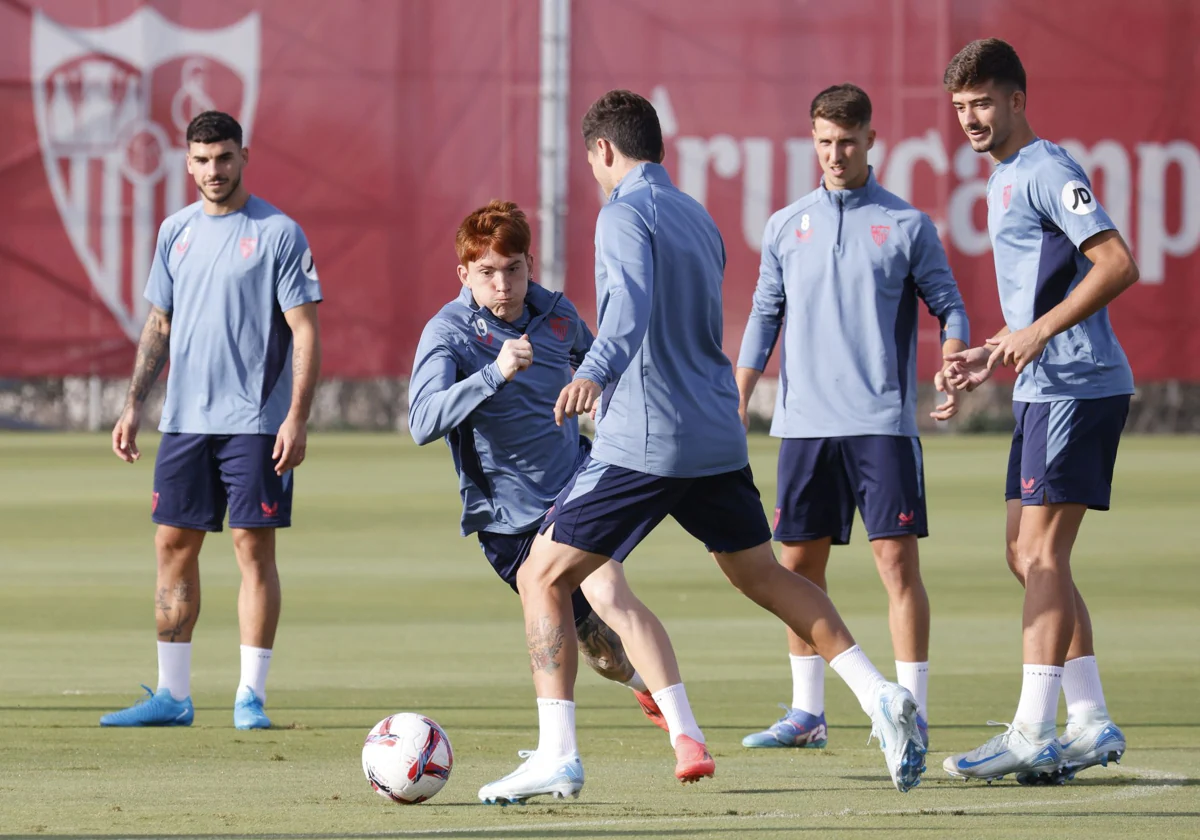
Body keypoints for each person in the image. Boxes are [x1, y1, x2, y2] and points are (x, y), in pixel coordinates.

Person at [478, 90, 927, 806]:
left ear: (602, 151)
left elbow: (625, 310)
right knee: (762, 575)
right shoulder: (697, 216)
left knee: (541, 575)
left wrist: (594, 371)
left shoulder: (622, 212)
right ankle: (879, 694)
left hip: (647, 439)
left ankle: (558, 755)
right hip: (716, 433)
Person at [736, 83, 970, 751]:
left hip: (881, 422)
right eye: (824, 142)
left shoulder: (906, 224)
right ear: (812, 141)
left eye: (847, 141)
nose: (835, 154)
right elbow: (763, 314)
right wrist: (741, 387)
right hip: (804, 423)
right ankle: (808, 714)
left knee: (896, 566)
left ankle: (914, 715)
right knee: (795, 567)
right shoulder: (786, 224)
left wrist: (953, 356)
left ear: (872, 140)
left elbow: (949, 305)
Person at [941, 38, 1136, 783]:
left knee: (1043, 555)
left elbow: (1118, 261)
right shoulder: (1004, 178)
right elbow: (1038, 300)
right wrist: (992, 351)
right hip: (1041, 386)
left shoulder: (1048, 168)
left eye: (984, 102)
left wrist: (1038, 333)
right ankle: (1087, 720)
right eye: (961, 107)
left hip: (1076, 384)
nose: (972, 118)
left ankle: (1032, 729)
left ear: (1018, 99)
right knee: (1024, 554)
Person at [407, 199, 672, 731]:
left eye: (514, 269)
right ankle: (645, 688)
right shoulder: (449, 333)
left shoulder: (558, 315)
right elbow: (421, 421)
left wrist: (601, 400)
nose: (502, 284)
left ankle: (680, 724)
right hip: (505, 520)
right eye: (487, 273)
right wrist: (492, 375)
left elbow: (601, 366)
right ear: (464, 274)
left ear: (531, 264)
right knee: (601, 651)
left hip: (574, 487)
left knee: (608, 589)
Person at [102, 110, 323, 730]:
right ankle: (174, 697)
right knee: (172, 546)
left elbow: (306, 331)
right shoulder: (175, 231)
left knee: (253, 550)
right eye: (200, 159)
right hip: (184, 421)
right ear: (188, 162)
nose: (212, 170)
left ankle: (249, 696)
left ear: (243, 156)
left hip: (255, 422)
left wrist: (297, 417)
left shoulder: (279, 232)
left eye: (223, 157)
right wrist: (133, 404)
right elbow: (159, 324)